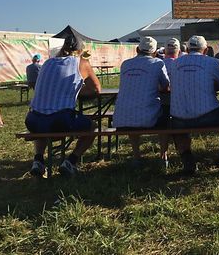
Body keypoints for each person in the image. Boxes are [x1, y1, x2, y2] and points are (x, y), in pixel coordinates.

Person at [25, 35, 101, 177]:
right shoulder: (81, 63)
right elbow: (96, 89)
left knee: (43, 120)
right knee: (92, 127)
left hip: (33, 120)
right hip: (60, 120)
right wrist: (76, 90)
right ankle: (71, 161)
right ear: (80, 50)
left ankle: (38, 160)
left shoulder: (47, 63)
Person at [169, 35, 219, 174]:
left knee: (176, 122)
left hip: (179, 118)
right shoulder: (211, 62)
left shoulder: (174, 63)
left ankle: (188, 162)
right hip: (208, 116)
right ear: (205, 50)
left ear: (187, 48)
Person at [113, 37, 170, 167]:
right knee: (166, 115)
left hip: (122, 119)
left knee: (133, 109)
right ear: (155, 52)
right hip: (148, 119)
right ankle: (163, 156)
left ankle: (136, 156)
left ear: (137, 49)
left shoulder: (125, 64)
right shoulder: (158, 63)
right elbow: (166, 86)